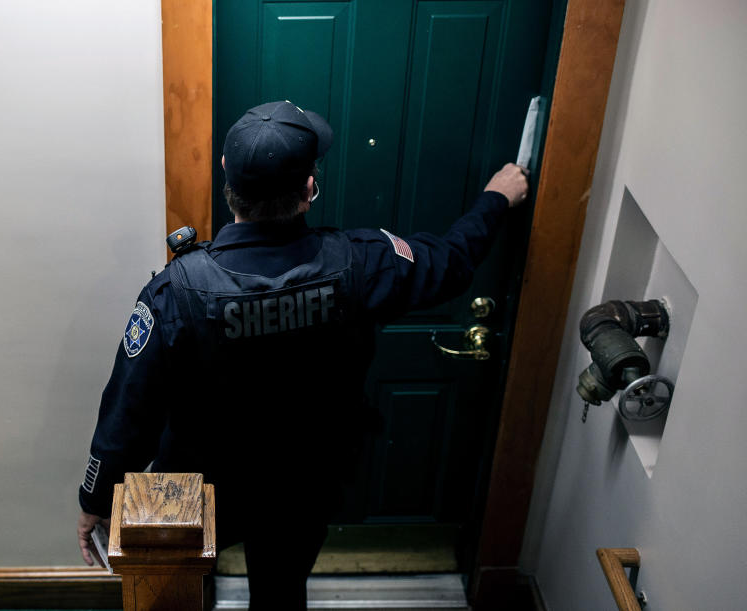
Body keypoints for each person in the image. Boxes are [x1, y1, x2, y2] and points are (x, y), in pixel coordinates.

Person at [77, 100, 528, 609]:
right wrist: (495, 198)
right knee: (281, 593)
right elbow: (451, 262)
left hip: (198, 486)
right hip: (303, 483)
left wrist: (96, 501)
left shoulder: (173, 292)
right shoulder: (363, 262)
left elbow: (128, 411)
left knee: (176, 595)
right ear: (310, 189)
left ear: (227, 176)